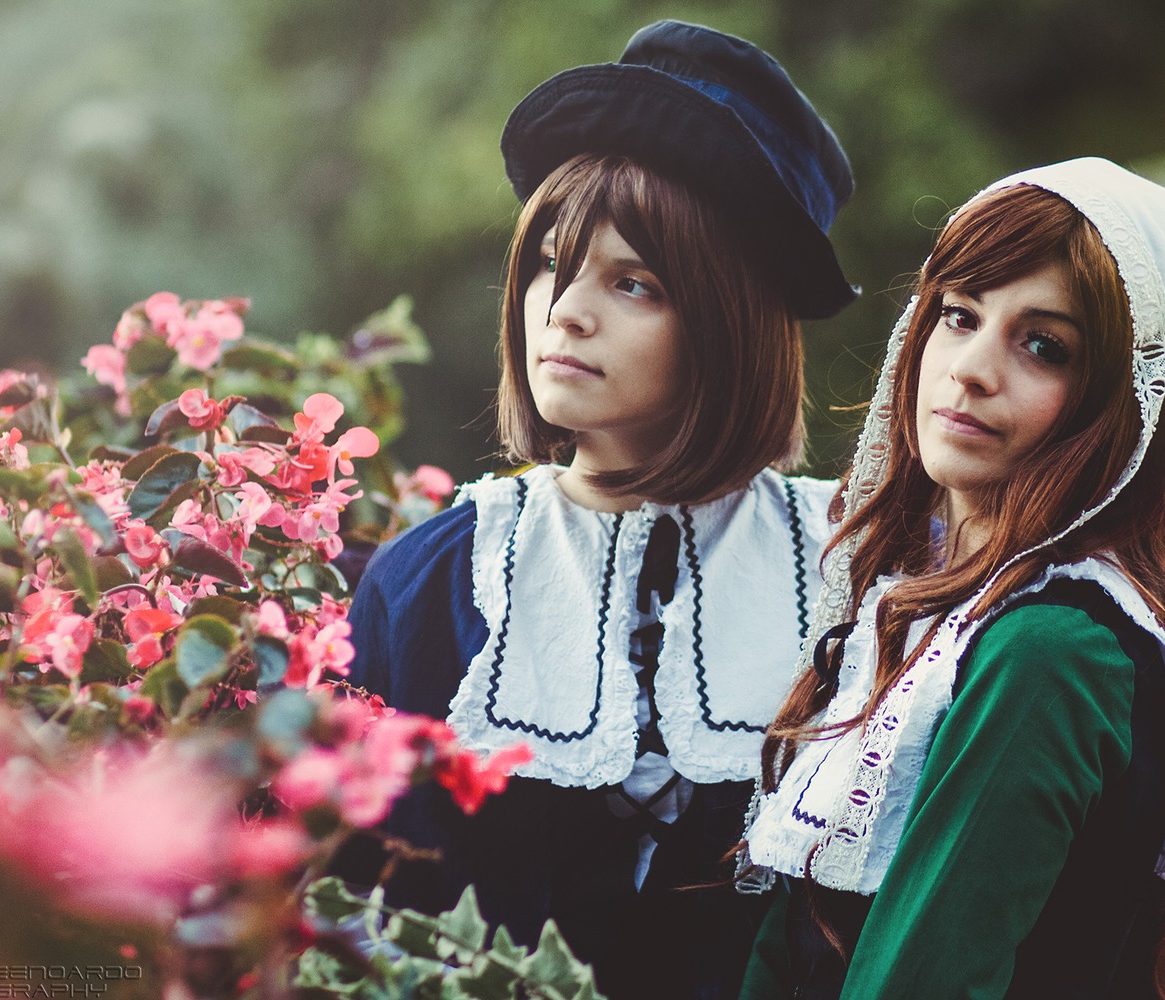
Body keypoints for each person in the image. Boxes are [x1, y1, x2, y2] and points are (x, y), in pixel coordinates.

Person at [342, 20, 857, 1000]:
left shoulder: (848, 577)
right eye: (547, 261)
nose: (565, 309)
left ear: (730, 320)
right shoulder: (435, 583)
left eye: (634, 282)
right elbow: (364, 917)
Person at [739, 157, 1165, 1000]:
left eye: (1044, 346)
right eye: (958, 315)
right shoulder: (938, 608)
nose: (971, 368)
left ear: (1134, 407)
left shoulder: (1052, 647)